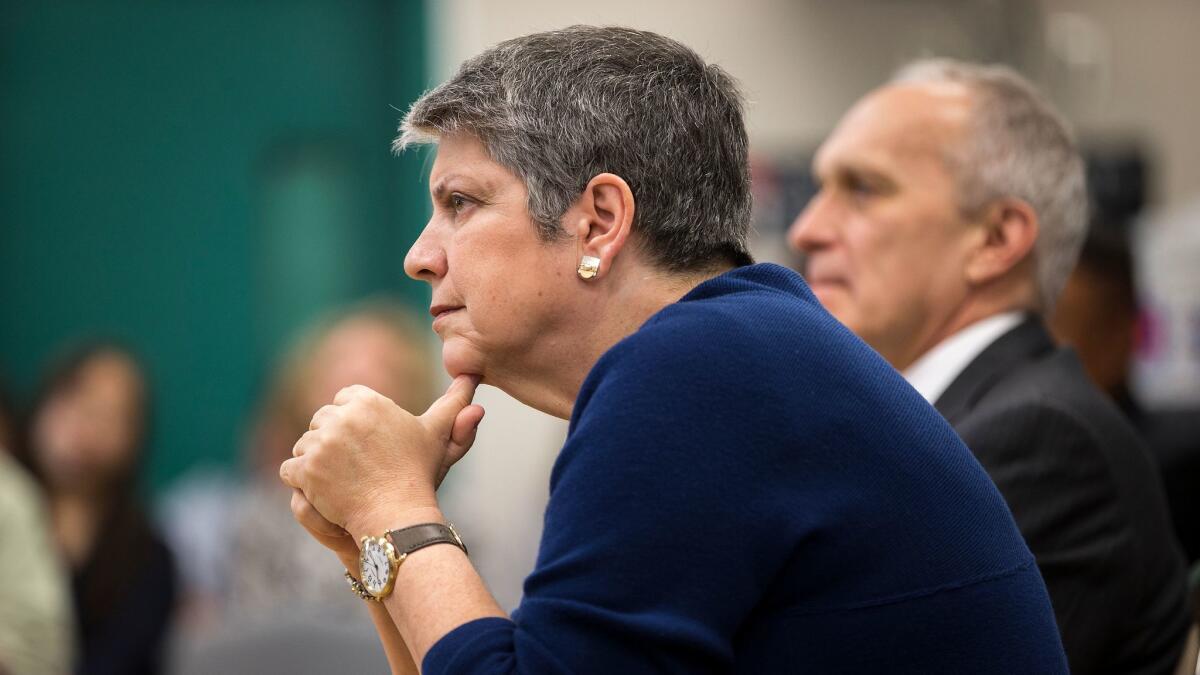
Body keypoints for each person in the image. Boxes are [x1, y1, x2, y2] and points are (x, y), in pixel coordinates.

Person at [278, 26, 1067, 674]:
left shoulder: (695, 369)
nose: (420, 255)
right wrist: (374, 536)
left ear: (599, 220)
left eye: (461, 203)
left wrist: (396, 509)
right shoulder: (734, 346)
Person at [787, 59, 1192, 675]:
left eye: (863, 187)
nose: (807, 228)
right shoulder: (946, 426)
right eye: (820, 188)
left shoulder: (1040, 439)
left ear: (996, 239)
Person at [19, 343, 177, 675]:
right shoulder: (9, 509)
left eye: (110, 414)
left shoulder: (147, 556)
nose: (84, 425)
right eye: (74, 399)